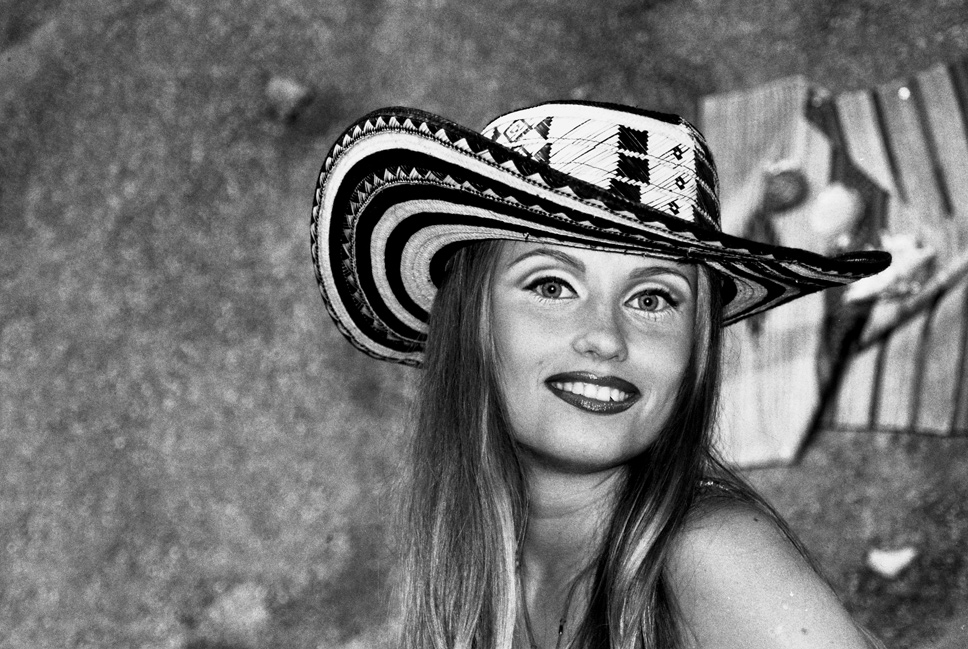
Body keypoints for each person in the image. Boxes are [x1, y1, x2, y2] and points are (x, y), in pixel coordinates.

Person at [310, 101, 892, 648]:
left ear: (696, 350)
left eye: (652, 299)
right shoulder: (486, 572)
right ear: (471, 324)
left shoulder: (715, 557)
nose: (607, 338)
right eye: (552, 286)